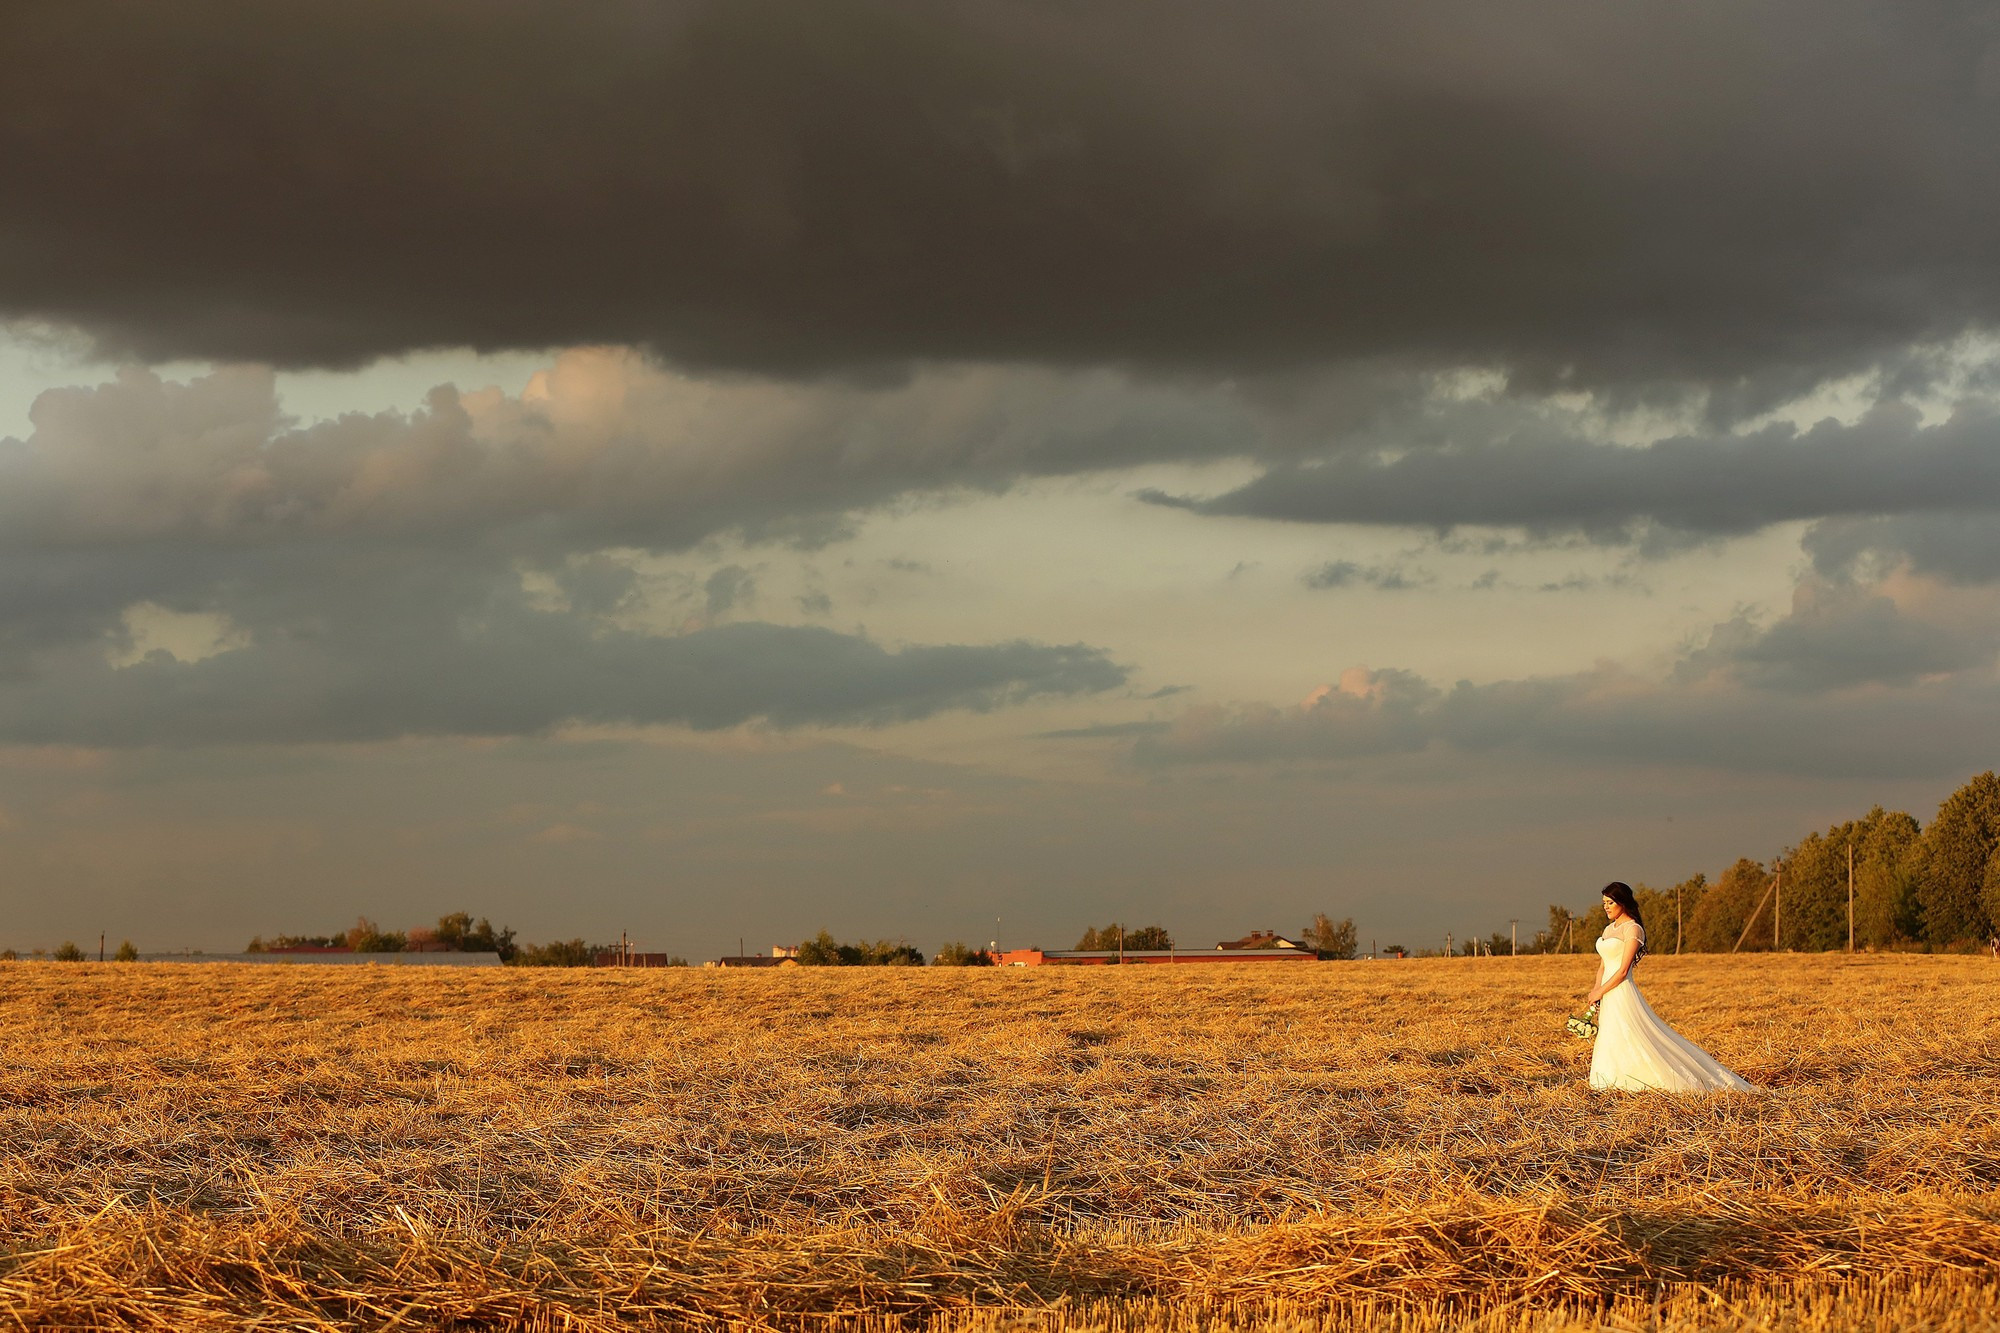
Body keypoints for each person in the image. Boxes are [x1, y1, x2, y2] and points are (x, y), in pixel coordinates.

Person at [1585, 881, 1753, 1093]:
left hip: (1621, 990)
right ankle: (1610, 1079)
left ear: (1623, 903)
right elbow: (1603, 965)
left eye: (1610, 902)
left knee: (1632, 1033)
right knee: (1610, 1033)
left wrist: (1602, 990)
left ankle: (1646, 1078)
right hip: (1607, 991)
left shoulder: (1633, 929)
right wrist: (1595, 990)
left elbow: (1622, 970)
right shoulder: (1609, 929)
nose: (1606, 907)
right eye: (1604, 903)